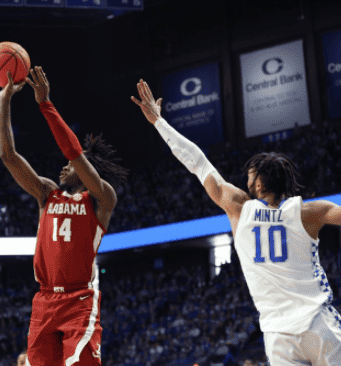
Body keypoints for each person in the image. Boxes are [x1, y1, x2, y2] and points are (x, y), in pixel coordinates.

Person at [131, 79, 341, 365]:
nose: (246, 177)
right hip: (319, 324)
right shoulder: (307, 212)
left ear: (260, 182)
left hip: (278, 334)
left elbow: (199, 163)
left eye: (251, 173)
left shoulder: (239, 210)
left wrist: (159, 123)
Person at [0, 67, 128, 366]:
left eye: (68, 166)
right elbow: (8, 156)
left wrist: (45, 104)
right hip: (43, 300)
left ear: (84, 169)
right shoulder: (47, 193)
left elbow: (73, 152)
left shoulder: (101, 198)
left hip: (79, 300)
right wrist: (4, 100)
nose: (62, 168)